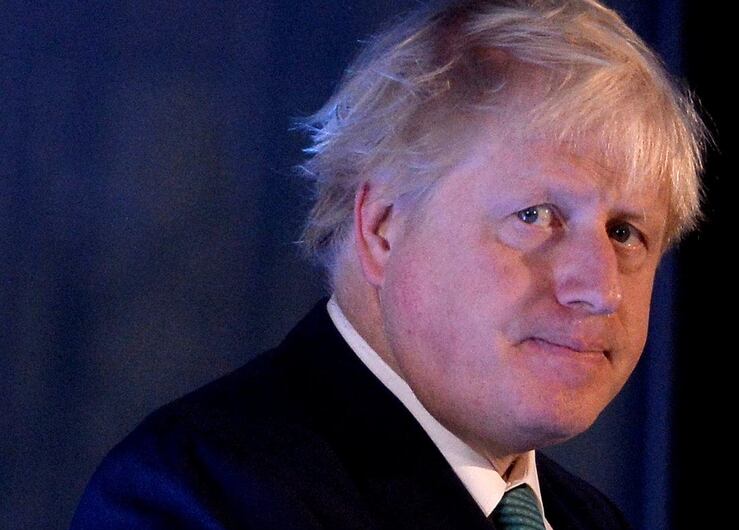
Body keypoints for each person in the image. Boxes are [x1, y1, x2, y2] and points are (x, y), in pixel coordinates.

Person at [72, 1, 706, 528]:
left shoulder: (590, 521)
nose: (599, 290)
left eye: (625, 232)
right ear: (383, 227)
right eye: (536, 216)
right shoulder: (195, 498)